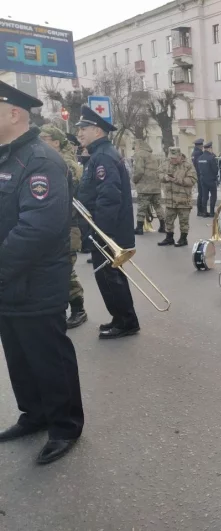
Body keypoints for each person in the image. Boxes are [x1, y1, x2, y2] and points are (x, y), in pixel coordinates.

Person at [0, 81, 84, 464]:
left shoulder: (40, 160)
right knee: (18, 355)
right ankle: (34, 414)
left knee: (48, 355)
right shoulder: (6, 157)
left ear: (14, 113)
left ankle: (65, 426)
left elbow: (39, 228)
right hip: (8, 281)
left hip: (35, 281)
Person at [76, 104, 140, 339]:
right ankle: (121, 318)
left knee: (110, 277)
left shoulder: (102, 156)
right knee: (109, 277)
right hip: (107, 230)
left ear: (98, 131)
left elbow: (109, 196)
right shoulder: (100, 154)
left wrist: (101, 233)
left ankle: (126, 322)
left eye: (84, 128)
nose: (80, 133)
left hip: (106, 231)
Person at [39, 125, 88, 329]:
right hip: (50, 225)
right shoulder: (46, 160)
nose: (41, 142)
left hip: (68, 225)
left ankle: (78, 309)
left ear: (56, 142)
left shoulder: (66, 163)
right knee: (51, 270)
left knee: (65, 270)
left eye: (45, 138)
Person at [158, 147, 198, 247]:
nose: (173, 160)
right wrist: (165, 177)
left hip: (183, 200)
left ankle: (183, 239)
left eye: (175, 158)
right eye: (171, 158)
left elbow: (192, 180)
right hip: (170, 199)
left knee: (183, 221)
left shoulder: (188, 166)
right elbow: (158, 174)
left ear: (180, 156)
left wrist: (178, 180)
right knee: (168, 220)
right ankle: (169, 238)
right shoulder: (165, 164)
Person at [132, 139, 165, 235]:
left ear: (138, 146)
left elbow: (139, 171)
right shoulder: (152, 156)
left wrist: (134, 179)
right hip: (156, 187)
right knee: (158, 206)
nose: (134, 150)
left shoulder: (139, 155)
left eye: (134, 147)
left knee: (141, 208)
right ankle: (163, 226)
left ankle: (139, 228)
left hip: (144, 187)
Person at [198, 141, 219, 217]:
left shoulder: (200, 158)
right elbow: (215, 170)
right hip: (211, 180)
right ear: (209, 148)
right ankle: (212, 212)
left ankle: (204, 212)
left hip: (203, 179)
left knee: (204, 196)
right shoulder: (211, 157)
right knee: (213, 196)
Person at [191, 138, 206, 216]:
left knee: (201, 193)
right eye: (202, 145)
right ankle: (201, 210)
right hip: (200, 174)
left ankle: (200, 210)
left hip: (197, 174)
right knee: (201, 194)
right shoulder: (198, 153)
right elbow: (199, 165)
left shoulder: (194, 153)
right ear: (200, 146)